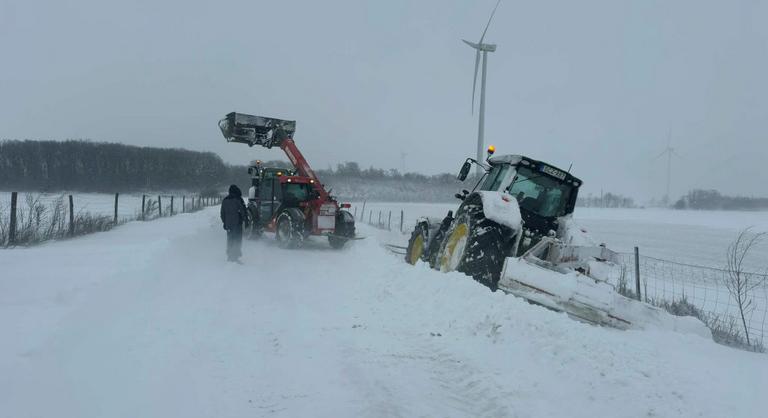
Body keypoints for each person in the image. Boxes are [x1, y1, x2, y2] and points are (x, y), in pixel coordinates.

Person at [220, 185, 248, 262]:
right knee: (237, 239)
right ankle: (235, 256)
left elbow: (222, 213)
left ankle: (230, 256)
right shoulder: (238, 200)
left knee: (230, 239)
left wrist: (225, 222)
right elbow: (243, 211)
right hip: (237, 224)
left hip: (228, 225)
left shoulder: (225, 200)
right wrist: (245, 220)